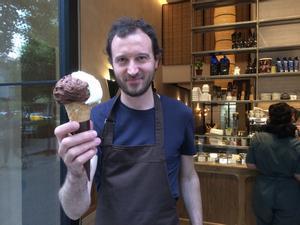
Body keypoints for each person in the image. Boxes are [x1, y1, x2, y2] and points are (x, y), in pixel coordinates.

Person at [55, 17, 203, 225]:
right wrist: (75, 172)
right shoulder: (96, 118)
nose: (132, 70)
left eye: (141, 58)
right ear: (113, 64)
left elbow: (188, 177)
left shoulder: (181, 114)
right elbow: (74, 210)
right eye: (122, 60)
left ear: (157, 60)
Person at [246, 102, 300, 225]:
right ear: (291, 119)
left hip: (263, 193)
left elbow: (250, 165)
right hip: (288, 196)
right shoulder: (296, 145)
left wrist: (268, 167)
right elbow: (298, 175)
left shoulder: (258, 138)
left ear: (270, 118)